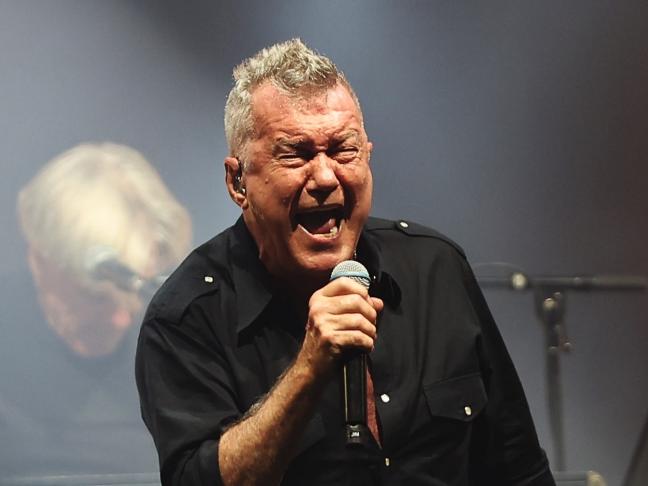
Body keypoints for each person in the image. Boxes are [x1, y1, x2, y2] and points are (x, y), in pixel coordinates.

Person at [136, 39, 555, 485]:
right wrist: (308, 368)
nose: (324, 176)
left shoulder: (435, 268)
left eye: (343, 150)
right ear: (238, 181)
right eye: (295, 153)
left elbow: (519, 467)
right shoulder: (185, 317)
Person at [0, 142, 192, 478]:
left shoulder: (181, 342)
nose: (122, 318)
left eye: (134, 294)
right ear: (39, 259)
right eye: (95, 297)